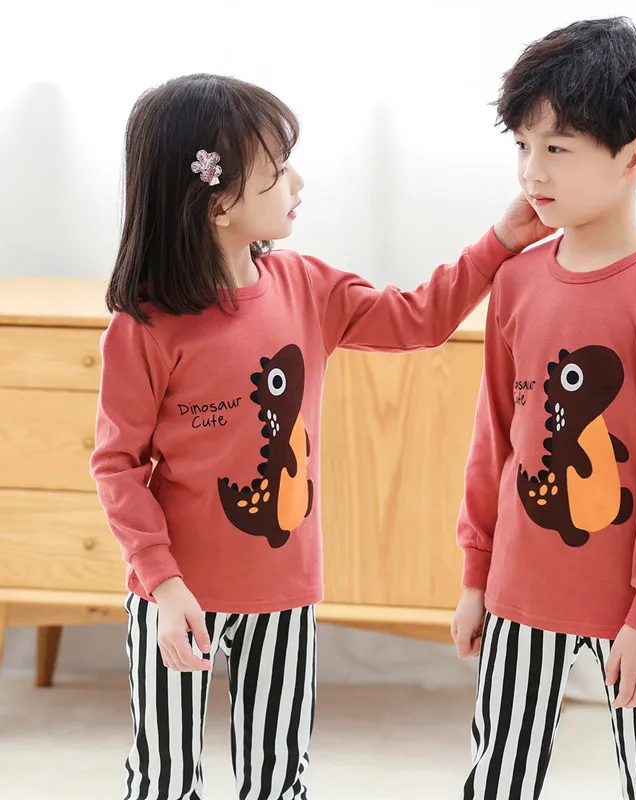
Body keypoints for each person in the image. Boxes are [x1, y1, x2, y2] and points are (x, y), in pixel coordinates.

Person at [89, 73, 553, 800]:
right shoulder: (144, 324)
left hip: (284, 590)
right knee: (164, 777)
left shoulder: (305, 286)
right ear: (217, 203)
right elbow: (117, 465)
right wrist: (162, 583)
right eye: (278, 170)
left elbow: (419, 318)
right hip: (173, 594)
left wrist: (500, 244)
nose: (298, 182)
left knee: (279, 777)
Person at [451, 18, 636, 800]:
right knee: (499, 773)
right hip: (519, 590)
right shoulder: (516, 280)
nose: (532, 172)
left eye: (558, 149)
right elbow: (495, 438)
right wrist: (475, 577)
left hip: (634, 602)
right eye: (523, 146)